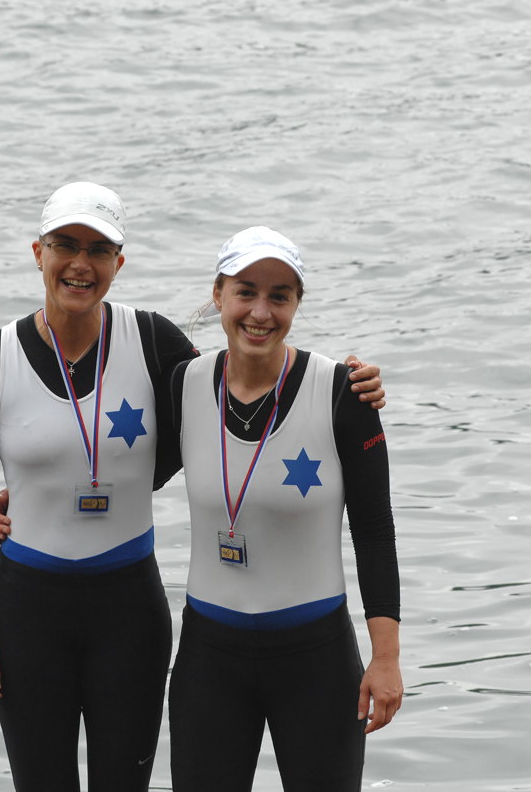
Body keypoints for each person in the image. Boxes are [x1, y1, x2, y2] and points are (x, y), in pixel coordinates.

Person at [0, 182, 385, 792]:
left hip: (129, 612)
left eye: (99, 250)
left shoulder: (154, 342)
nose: (80, 263)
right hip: (26, 613)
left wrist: (354, 388)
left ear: (118, 264)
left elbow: (229, 409)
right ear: (37, 252)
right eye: (64, 245)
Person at [166, 226, 402, 791]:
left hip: (316, 659)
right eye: (246, 291)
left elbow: (374, 529)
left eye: (280, 296)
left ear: (297, 304)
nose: (261, 312)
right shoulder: (183, 383)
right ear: (218, 294)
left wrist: (386, 657)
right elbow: (126, 474)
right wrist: (12, 499)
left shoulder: (345, 392)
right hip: (209, 657)